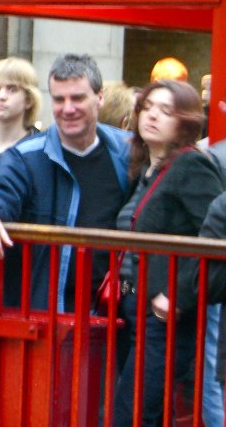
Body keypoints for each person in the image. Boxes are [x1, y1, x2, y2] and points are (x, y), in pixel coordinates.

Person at [0, 54, 131, 311]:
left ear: (99, 98)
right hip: (46, 314)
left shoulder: (125, 151)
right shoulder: (25, 156)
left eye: (78, 98)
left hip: (109, 313)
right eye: (59, 99)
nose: (68, 109)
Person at [113, 80, 223, 425]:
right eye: (147, 107)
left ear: (186, 122)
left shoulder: (191, 166)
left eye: (166, 111)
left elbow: (216, 236)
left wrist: (177, 294)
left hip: (165, 315)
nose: (152, 116)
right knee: (147, 412)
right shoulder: (146, 168)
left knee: (132, 413)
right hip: (135, 306)